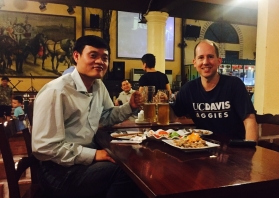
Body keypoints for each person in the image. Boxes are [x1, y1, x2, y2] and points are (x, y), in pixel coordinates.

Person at [31, 35, 144, 198]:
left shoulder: (98, 85)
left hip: (79, 162)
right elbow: (44, 147)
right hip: (57, 172)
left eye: (104, 58)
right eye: (93, 55)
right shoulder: (56, 91)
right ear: (76, 56)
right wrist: (93, 155)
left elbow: (106, 116)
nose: (100, 61)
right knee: (127, 173)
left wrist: (130, 106)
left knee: (130, 164)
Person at [171, 40, 258, 141]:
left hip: (233, 150)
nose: (205, 62)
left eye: (210, 57)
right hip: (201, 148)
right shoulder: (189, 89)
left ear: (219, 61)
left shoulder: (234, 85)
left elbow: (249, 120)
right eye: (201, 57)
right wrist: (162, 103)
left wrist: (250, 151)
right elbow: (174, 116)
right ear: (194, 62)